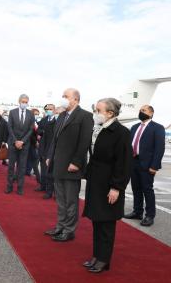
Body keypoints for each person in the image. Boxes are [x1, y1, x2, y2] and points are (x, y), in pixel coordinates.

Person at [82, 98, 132, 273]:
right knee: (97, 221)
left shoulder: (121, 132)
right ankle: (97, 255)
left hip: (109, 184)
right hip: (96, 182)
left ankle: (104, 260)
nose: (95, 113)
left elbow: (124, 163)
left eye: (98, 110)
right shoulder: (99, 129)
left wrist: (116, 187)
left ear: (110, 113)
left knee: (107, 224)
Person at [45, 88, 93, 242]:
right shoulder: (62, 115)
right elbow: (55, 139)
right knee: (60, 199)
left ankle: (69, 230)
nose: (63, 98)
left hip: (72, 166)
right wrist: (49, 156)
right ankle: (60, 226)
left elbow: (84, 142)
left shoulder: (85, 116)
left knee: (71, 200)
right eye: (62, 96)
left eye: (66, 96)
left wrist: (76, 162)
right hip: (58, 164)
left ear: (76, 99)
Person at [124, 105, 165, 227]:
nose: (141, 112)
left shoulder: (157, 128)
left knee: (147, 189)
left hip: (147, 165)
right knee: (136, 188)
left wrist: (154, 166)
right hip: (133, 162)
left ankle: (149, 215)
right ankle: (137, 212)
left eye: (144, 111)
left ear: (151, 113)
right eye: (140, 110)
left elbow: (159, 148)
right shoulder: (134, 127)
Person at [5, 94, 35, 195]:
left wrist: (22, 141)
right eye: (23, 101)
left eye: (26, 102)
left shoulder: (31, 114)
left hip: (25, 145)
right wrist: (16, 141)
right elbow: (9, 127)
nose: (24, 104)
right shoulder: (12, 112)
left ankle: (20, 187)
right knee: (11, 166)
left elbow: (31, 129)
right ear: (19, 101)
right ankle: (9, 186)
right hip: (13, 144)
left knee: (22, 167)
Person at [37, 104, 56, 199]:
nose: (49, 110)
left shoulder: (57, 121)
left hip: (52, 149)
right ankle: (42, 186)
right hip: (43, 148)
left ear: (54, 110)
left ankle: (50, 191)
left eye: (50, 109)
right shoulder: (44, 120)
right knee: (43, 170)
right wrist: (42, 132)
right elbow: (39, 130)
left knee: (50, 172)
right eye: (47, 109)